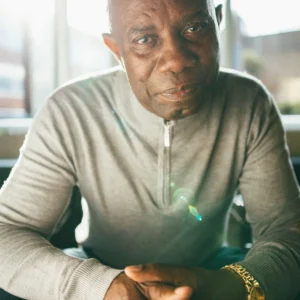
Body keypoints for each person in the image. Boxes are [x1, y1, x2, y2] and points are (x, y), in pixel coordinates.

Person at [0, 0, 300, 299]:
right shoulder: (70, 109)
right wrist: (101, 288)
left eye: (195, 27)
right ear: (117, 50)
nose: (176, 61)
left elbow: (287, 230)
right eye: (145, 39)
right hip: (96, 271)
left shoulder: (249, 102)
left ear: (217, 23)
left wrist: (226, 286)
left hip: (213, 272)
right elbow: (6, 232)